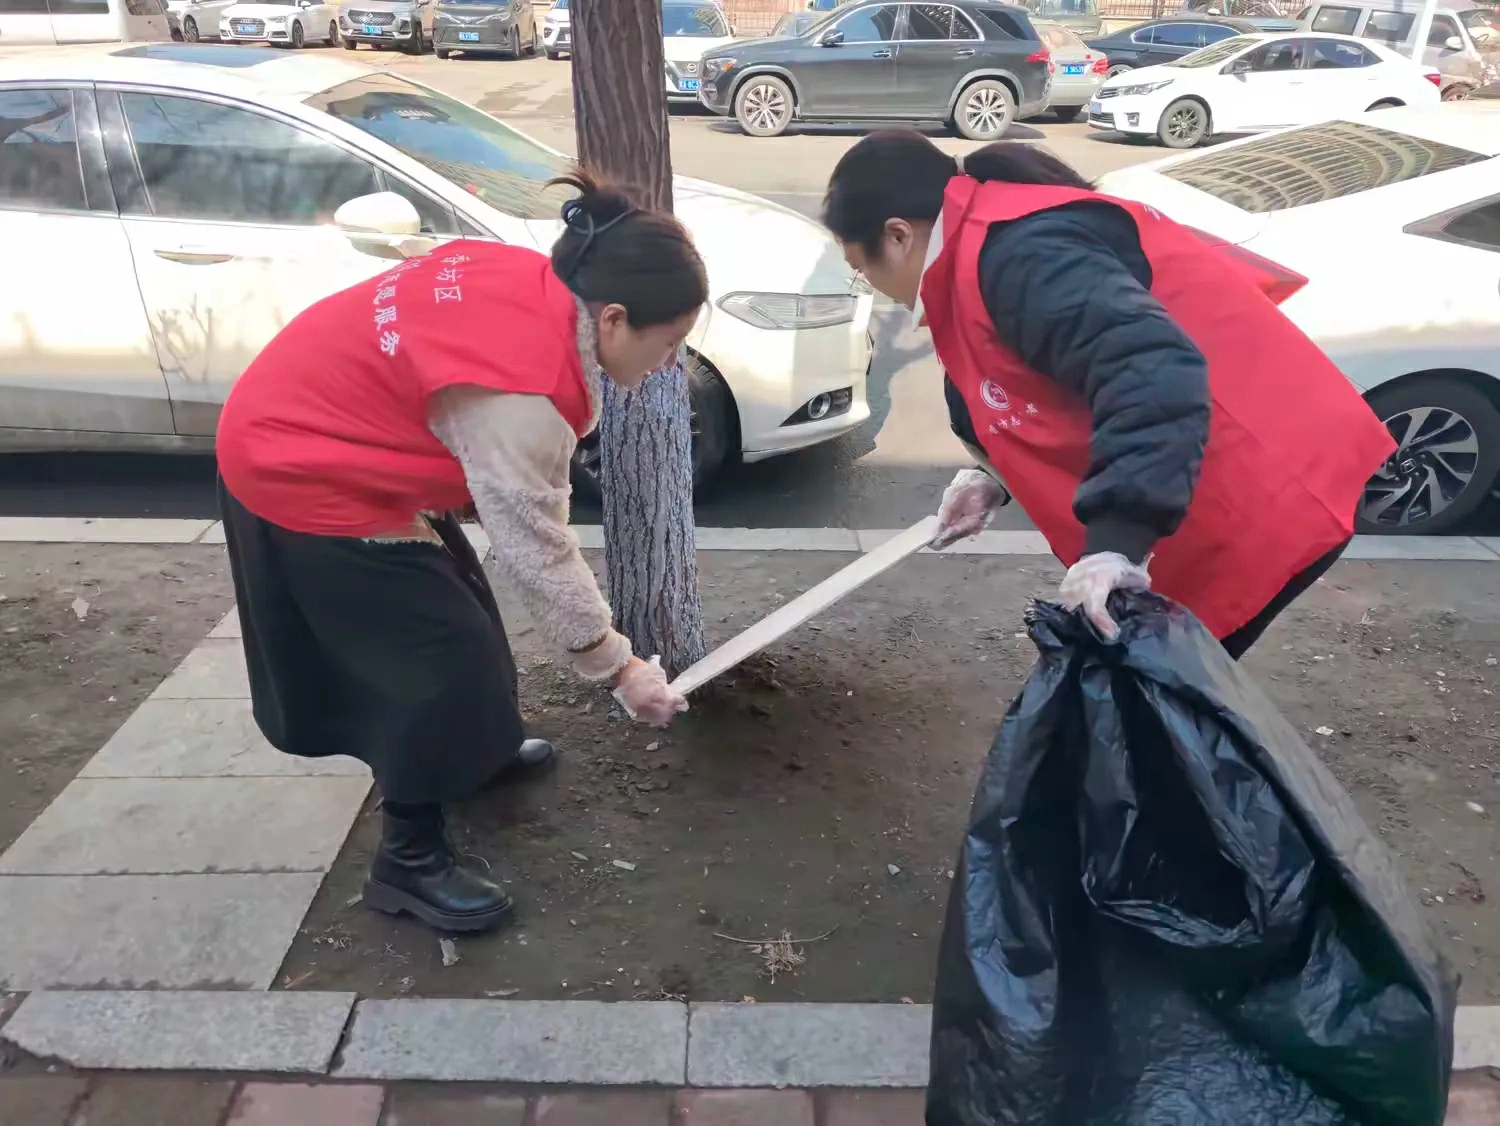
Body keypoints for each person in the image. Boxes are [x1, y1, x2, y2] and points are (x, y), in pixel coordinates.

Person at [215, 172, 699, 934]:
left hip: (327, 427)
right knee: (436, 664)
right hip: (301, 466)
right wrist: (621, 670)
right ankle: (407, 861)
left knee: (466, 616)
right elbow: (537, 551)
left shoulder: (533, 278)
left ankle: (480, 751)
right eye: (669, 342)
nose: (672, 363)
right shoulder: (522, 394)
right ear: (611, 319)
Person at [822, 131, 1395, 657]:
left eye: (858, 268)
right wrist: (993, 478)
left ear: (898, 236)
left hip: (1261, 484)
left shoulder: (1023, 254)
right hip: (1201, 482)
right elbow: (1037, 381)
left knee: (1148, 705)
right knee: (1139, 701)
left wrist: (1117, 542)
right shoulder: (975, 255)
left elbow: (1153, 368)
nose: (867, 286)